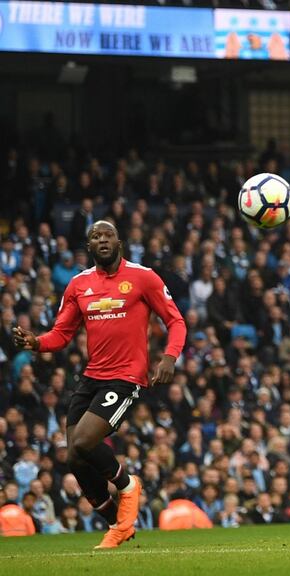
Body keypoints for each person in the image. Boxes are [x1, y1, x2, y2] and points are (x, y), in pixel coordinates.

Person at [12, 220, 185, 548]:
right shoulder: (78, 285)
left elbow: (175, 320)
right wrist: (37, 343)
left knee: (83, 442)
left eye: (107, 235)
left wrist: (169, 357)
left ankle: (128, 485)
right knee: (74, 458)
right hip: (92, 376)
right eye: (95, 237)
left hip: (126, 377)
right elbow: (62, 334)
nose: (102, 240)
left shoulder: (143, 277)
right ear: (89, 246)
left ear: (119, 242)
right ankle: (117, 523)